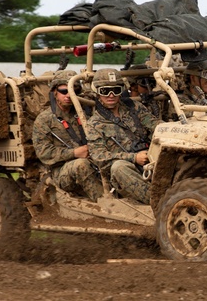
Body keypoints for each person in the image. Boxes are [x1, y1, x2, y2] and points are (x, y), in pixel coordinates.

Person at [85, 68, 162, 204]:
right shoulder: (94, 124)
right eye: (105, 91)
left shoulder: (134, 107)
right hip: (125, 171)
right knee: (119, 167)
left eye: (116, 90)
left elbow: (156, 126)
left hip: (149, 158)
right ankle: (159, 202)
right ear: (97, 93)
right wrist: (133, 158)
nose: (111, 95)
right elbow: (99, 157)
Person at [31, 71, 103, 202]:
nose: (69, 95)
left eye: (74, 91)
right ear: (54, 92)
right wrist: (74, 153)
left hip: (94, 161)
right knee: (81, 164)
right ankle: (105, 204)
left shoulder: (85, 112)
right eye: (64, 91)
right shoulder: (45, 119)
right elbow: (44, 153)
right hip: (60, 172)